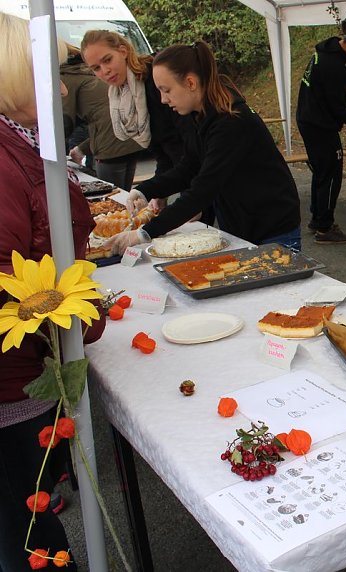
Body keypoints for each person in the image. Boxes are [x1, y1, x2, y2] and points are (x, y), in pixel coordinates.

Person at [0, 13, 105, 571]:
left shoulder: (16, 141)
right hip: (13, 379)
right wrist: (77, 312)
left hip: (21, 372)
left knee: (27, 516)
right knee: (25, 529)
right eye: (46, 73)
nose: (62, 88)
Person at [103, 41, 302, 254]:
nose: (162, 99)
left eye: (166, 90)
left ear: (190, 82)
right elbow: (188, 167)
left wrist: (145, 233)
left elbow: (203, 189)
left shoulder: (230, 123)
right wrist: (145, 190)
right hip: (242, 223)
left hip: (272, 227)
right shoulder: (199, 116)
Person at [296, 25, 346, 245]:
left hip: (310, 119)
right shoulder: (332, 65)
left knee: (321, 171)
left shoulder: (329, 53)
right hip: (319, 125)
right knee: (332, 172)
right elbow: (337, 108)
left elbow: (339, 94)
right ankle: (325, 227)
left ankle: (317, 218)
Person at [80, 30, 184, 178]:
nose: (105, 71)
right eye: (96, 68)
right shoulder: (119, 96)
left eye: (108, 60)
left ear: (123, 51)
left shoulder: (155, 78)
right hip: (182, 172)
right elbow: (162, 152)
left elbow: (185, 141)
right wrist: (157, 192)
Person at [61, 43, 144, 191]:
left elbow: (64, 123)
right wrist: (81, 148)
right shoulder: (85, 71)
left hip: (111, 147)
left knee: (109, 199)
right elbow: (104, 118)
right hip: (131, 139)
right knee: (124, 196)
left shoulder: (65, 77)